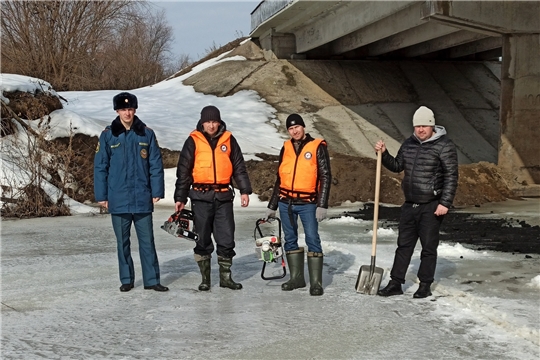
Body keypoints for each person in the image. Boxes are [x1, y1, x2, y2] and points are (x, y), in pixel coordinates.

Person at [376, 105, 458, 299]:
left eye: (424, 125)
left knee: (428, 248)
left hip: (431, 205)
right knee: (403, 246)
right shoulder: (409, 144)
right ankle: (396, 283)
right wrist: (384, 154)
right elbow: (397, 166)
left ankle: (425, 285)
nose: (420, 129)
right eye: (417, 126)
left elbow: (451, 176)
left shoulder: (445, 145)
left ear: (432, 126)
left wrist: (444, 203)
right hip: (409, 204)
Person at [94, 92, 168, 292]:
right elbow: (101, 166)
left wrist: (157, 190)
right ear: (117, 111)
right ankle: (126, 279)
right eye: (123, 109)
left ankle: (152, 280)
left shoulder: (146, 134)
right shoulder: (109, 135)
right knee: (122, 243)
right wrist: (102, 196)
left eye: (130, 109)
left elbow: (155, 165)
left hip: (142, 196)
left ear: (135, 110)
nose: (127, 113)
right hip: (118, 198)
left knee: (147, 241)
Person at [174, 105, 252, 291]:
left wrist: (244, 190)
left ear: (219, 122)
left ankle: (226, 278)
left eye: (214, 121)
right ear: (202, 122)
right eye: (208, 122)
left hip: (223, 196)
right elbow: (183, 171)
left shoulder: (229, 140)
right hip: (200, 196)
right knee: (202, 238)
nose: (211, 125)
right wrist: (180, 197)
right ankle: (205, 279)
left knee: (226, 238)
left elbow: (239, 167)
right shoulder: (193, 140)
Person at [266, 114, 332, 296]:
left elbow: (325, 175)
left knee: (312, 238)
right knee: (290, 239)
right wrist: (272, 205)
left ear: (303, 127)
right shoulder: (286, 147)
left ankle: (316, 283)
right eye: (290, 128)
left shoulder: (317, 146)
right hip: (285, 202)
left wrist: (322, 203)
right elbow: (280, 177)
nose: (294, 131)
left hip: (308, 203)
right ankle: (297, 278)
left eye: (297, 127)